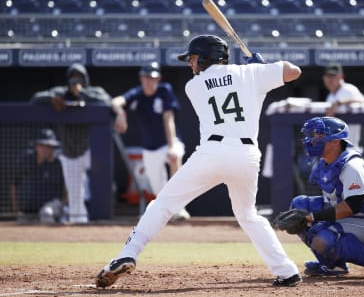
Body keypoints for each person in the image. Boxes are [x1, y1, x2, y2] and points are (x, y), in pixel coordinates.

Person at [95, 34, 303, 288]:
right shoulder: (251, 74)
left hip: (212, 153)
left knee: (163, 204)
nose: (191, 64)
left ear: (205, 58)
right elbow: (294, 71)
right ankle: (286, 270)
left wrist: (256, 71)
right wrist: (264, 67)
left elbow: (225, 82)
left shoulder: (194, 86)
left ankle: (127, 253)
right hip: (246, 157)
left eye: (193, 58)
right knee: (249, 216)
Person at [274, 117, 364, 279]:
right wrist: (305, 214)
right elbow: (333, 202)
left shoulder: (352, 166)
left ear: (335, 142)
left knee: (322, 230)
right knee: (300, 204)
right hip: (353, 220)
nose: (313, 140)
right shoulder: (325, 162)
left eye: (319, 136)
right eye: (314, 135)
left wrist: (312, 218)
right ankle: (333, 264)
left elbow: (352, 206)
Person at [31, 63, 111, 224]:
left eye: (79, 78)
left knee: (102, 180)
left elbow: (107, 99)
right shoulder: (61, 93)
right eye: (73, 79)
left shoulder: (94, 91)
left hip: (89, 148)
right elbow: (35, 98)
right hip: (69, 150)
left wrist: (82, 94)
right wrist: (53, 99)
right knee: (74, 191)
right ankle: (79, 223)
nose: (76, 82)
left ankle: (103, 218)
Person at [112, 62, 189, 221]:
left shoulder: (164, 90)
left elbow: (168, 119)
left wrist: (171, 145)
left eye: (152, 78)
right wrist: (120, 112)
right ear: (141, 78)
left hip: (169, 141)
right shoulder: (137, 94)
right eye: (146, 78)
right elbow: (116, 101)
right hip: (150, 148)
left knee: (175, 158)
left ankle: (180, 209)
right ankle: (168, 212)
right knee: (157, 187)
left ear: (158, 78)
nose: (149, 81)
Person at [10, 128, 66, 223]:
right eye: (42, 146)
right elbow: (14, 185)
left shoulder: (58, 165)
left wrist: (61, 205)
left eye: (49, 146)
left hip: (51, 206)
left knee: (46, 213)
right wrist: (15, 209)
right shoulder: (25, 161)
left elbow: (66, 191)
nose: (46, 149)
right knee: (21, 223)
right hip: (27, 209)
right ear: (36, 146)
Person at [323, 62, 364, 148]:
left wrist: (339, 103)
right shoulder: (330, 96)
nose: (330, 79)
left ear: (341, 77)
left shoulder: (348, 89)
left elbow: (363, 101)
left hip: (351, 146)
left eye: (333, 76)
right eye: (328, 76)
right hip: (336, 148)